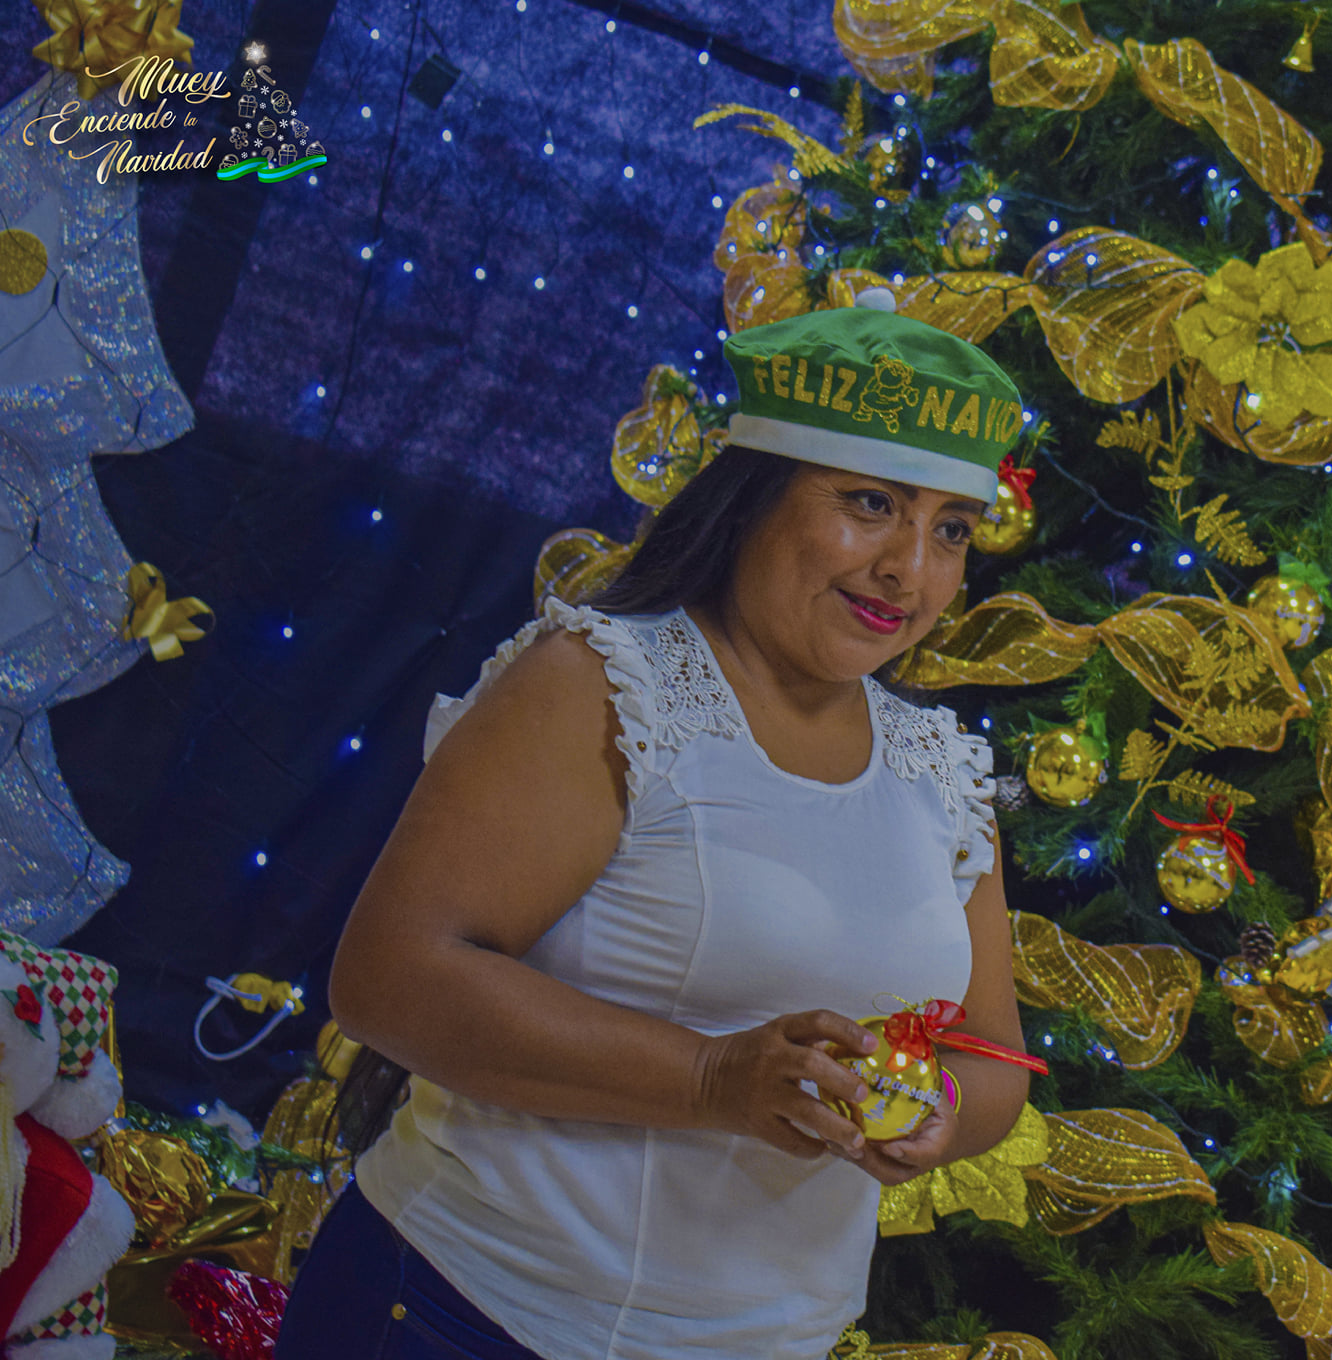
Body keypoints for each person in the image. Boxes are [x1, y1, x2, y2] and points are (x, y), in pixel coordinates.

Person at [274, 298, 1038, 1360]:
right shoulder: (600, 686)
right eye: (871, 504)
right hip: (470, 1315)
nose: (909, 570)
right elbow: (388, 978)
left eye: (950, 529)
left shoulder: (941, 772)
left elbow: (992, 1057)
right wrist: (712, 1079)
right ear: (755, 492)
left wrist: (936, 1102)